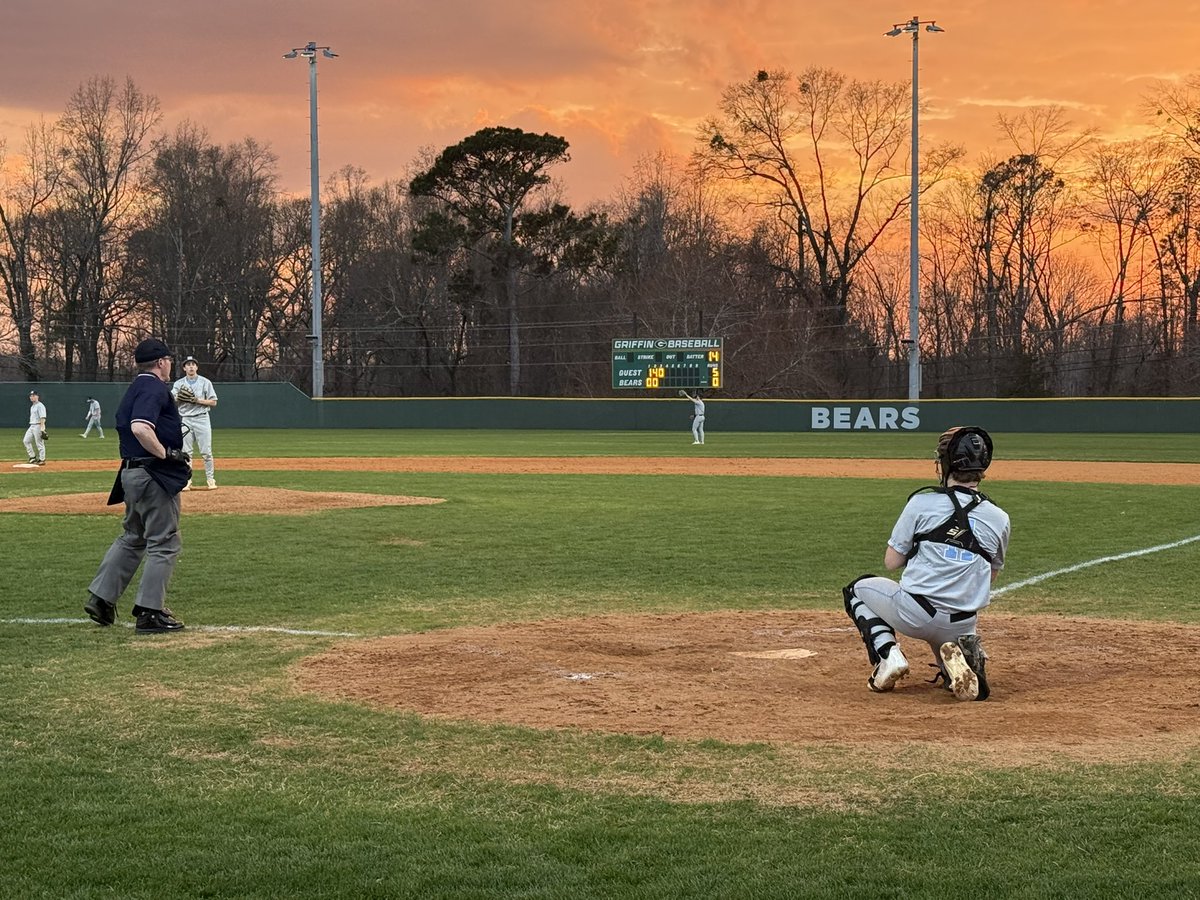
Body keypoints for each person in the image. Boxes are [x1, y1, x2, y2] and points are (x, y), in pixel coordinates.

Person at [841, 426, 1011, 701]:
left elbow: (891, 562)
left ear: (946, 463)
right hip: (962, 622)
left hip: (916, 614)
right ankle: (960, 664)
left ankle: (888, 657)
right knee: (951, 644)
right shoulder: (999, 517)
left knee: (856, 589)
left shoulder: (922, 502)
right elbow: (989, 577)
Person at [84, 339, 191, 634]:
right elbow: (141, 427)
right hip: (152, 474)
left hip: (130, 473)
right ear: (160, 362)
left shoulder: (135, 387)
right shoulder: (154, 387)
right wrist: (166, 453)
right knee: (164, 541)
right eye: (168, 360)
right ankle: (150, 612)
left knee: (133, 536)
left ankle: (102, 598)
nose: (170, 365)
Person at [171, 355, 219, 490]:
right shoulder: (179, 384)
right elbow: (172, 398)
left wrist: (197, 400)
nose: (191, 366)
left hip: (202, 418)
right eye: (188, 364)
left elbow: (213, 402)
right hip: (186, 419)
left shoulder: (205, 382)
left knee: (206, 452)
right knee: (186, 452)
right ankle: (187, 481)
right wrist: (179, 398)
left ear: (197, 367)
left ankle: (210, 479)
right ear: (184, 368)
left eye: (193, 364)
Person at [23, 389, 47, 466]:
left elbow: (42, 417)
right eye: (31, 396)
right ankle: (32, 457)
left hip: (38, 425)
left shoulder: (40, 406)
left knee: (39, 443)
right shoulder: (32, 406)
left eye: (33, 395)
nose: (31, 397)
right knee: (26, 441)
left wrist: (42, 429)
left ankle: (42, 459)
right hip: (32, 425)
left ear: (37, 396)